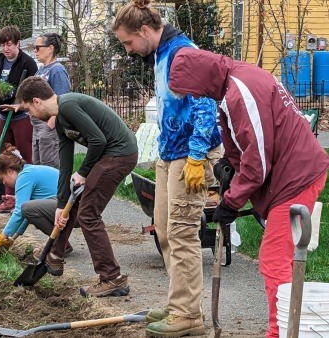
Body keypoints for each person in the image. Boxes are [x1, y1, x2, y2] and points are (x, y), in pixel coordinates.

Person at [168, 47, 329, 338]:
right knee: (281, 256)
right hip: (291, 171)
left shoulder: (240, 91)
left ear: (199, 78)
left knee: (273, 258)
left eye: (192, 91)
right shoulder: (232, 84)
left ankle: (281, 332)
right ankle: (292, 325)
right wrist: (228, 163)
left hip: (296, 177)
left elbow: (258, 160)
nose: (195, 97)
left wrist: (230, 201)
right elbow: (245, 141)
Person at [112, 1, 222, 336]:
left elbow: (206, 105)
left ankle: (189, 316)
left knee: (183, 232)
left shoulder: (182, 53)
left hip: (191, 156)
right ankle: (179, 304)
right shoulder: (160, 54)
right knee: (163, 227)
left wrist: (196, 157)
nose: (129, 50)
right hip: (170, 153)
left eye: (129, 42)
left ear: (145, 31)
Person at [8, 76, 138, 297]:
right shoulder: (60, 120)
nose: (30, 115)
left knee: (88, 214)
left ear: (37, 101)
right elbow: (65, 163)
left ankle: (112, 277)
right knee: (74, 204)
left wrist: (84, 172)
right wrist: (60, 205)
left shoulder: (68, 105)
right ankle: (55, 257)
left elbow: (98, 140)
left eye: (28, 109)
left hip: (119, 153)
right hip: (108, 155)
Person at [0, 25, 38, 213]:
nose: (5, 49)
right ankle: (7, 198)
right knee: (6, 156)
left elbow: (33, 90)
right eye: (2, 45)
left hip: (21, 116)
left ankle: (27, 197)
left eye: (9, 45)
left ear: (17, 44)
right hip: (3, 115)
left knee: (24, 156)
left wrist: (18, 98)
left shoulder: (28, 63)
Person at [0, 144, 74, 254]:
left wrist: (2, 236)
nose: (4, 183)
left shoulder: (24, 177)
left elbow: (20, 212)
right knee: (29, 209)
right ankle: (62, 244)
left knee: (26, 208)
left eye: (2, 178)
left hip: (71, 210)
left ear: (10, 171)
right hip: (69, 207)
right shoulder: (28, 172)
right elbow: (27, 214)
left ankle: (60, 245)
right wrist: (12, 239)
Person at [31, 33, 71, 168]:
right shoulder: (41, 70)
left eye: (37, 47)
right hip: (37, 128)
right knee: (38, 167)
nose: (35, 51)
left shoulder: (57, 70)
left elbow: (63, 100)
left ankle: (54, 190)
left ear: (50, 48)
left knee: (49, 168)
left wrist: (50, 125)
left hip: (49, 126)